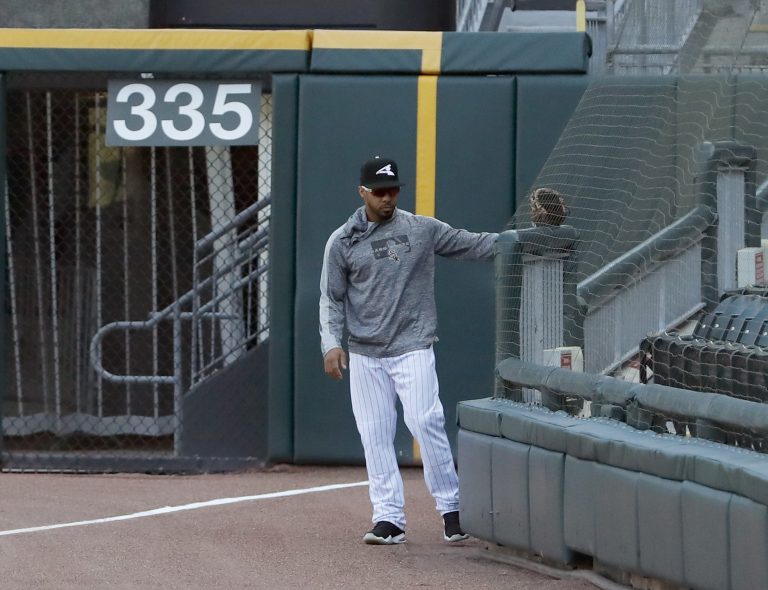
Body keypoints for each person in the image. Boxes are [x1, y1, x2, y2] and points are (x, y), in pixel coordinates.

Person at [319, 156, 499, 545]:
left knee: (425, 421)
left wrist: (526, 241)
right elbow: (331, 298)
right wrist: (331, 343)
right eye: (379, 191)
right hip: (365, 352)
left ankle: (452, 510)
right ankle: (389, 519)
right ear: (362, 192)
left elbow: (473, 243)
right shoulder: (343, 240)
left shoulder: (421, 229)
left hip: (412, 344)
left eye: (393, 190)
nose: (388, 198)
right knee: (374, 434)